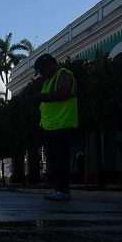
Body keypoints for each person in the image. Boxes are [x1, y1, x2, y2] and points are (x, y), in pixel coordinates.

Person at [35, 53, 78, 201]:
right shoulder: (48, 81)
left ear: (50, 65)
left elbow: (63, 93)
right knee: (53, 160)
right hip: (51, 127)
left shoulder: (64, 74)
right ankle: (58, 189)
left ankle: (63, 190)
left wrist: (40, 97)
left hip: (63, 124)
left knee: (61, 159)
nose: (41, 74)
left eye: (42, 70)